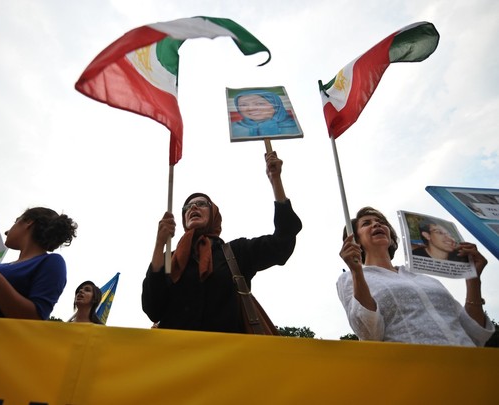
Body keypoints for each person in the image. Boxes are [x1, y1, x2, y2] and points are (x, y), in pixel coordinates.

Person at [142, 152, 302, 333]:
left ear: (214, 215)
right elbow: (152, 308)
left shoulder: (236, 252)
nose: (193, 207)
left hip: (230, 358)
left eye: (202, 203)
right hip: (178, 357)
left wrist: (276, 181)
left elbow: (282, 243)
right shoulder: (171, 260)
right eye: (187, 207)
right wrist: (159, 244)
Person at [337, 206, 495, 346]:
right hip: (415, 371)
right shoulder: (351, 278)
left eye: (381, 222)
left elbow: (475, 335)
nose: (377, 224)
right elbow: (369, 334)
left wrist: (473, 278)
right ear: (355, 240)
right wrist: (357, 271)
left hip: (470, 367)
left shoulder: (423, 278)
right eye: (366, 223)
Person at [231, 90, 299, 137]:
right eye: (243, 105)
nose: (251, 108)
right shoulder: (233, 129)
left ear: (276, 105)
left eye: (260, 103)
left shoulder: (295, 127)